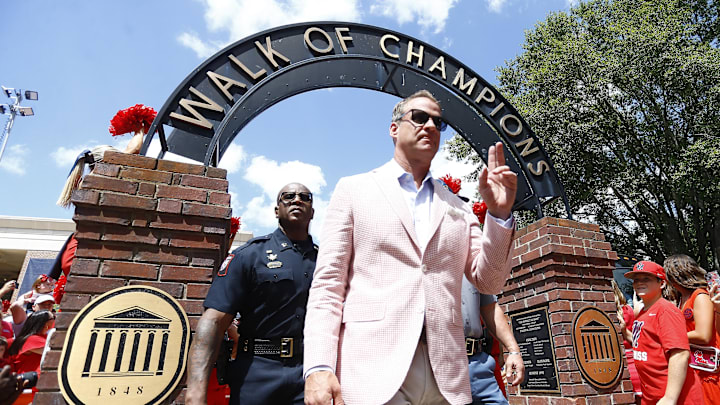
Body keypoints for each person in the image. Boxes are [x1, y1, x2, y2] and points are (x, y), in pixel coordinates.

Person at [304, 90, 517, 405]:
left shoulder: (457, 206)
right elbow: (327, 287)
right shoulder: (353, 190)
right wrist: (319, 367)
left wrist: (499, 215)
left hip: (448, 376)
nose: (430, 125)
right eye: (419, 117)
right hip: (372, 371)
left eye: (437, 122)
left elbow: (490, 282)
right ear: (394, 128)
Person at [186, 183, 317, 405]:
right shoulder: (249, 255)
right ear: (277, 210)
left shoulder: (326, 262)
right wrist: (195, 394)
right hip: (256, 372)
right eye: (288, 196)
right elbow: (214, 322)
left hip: (310, 374)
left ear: (312, 211)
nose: (297, 200)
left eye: (305, 197)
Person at [620, 261, 704, 404]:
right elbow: (646, 345)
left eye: (646, 279)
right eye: (636, 279)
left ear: (662, 284)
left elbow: (680, 354)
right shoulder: (642, 313)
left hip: (678, 399)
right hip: (653, 396)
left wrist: (670, 398)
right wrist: (624, 331)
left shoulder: (665, 311)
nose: (640, 283)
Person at [663, 254, 720, 402]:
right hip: (694, 367)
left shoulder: (700, 295)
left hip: (708, 371)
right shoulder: (682, 298)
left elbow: (703, 335)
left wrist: (669, 337)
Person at [461, 283, 524, 405]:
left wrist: (513, 350)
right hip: (434, 365)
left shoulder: (470, 266)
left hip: (478, 364)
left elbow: (490, 308)